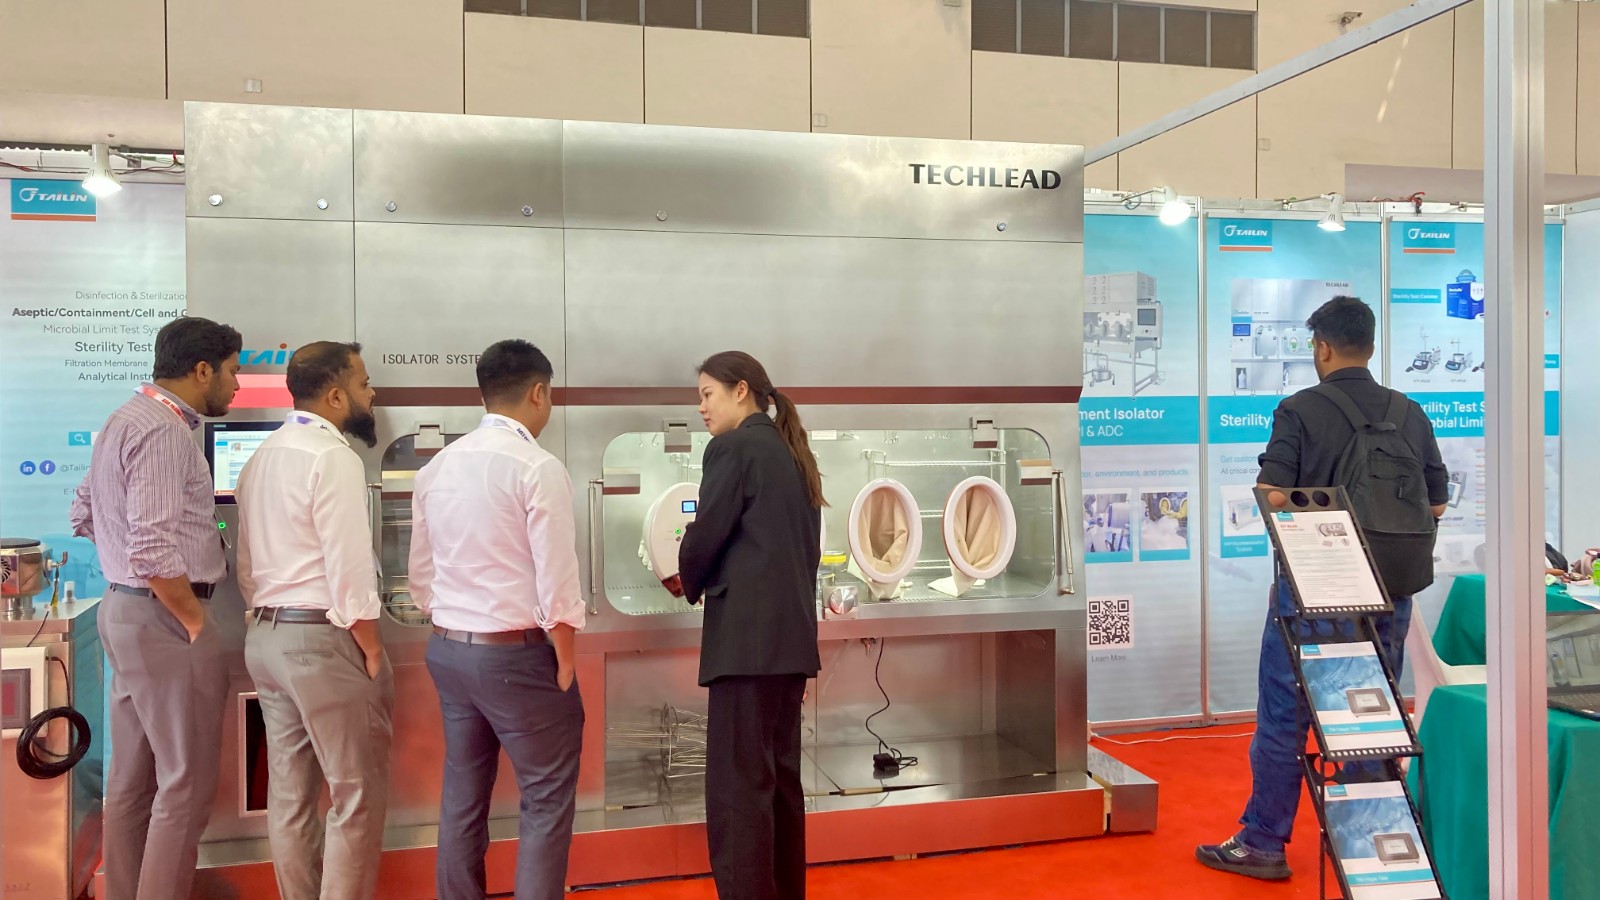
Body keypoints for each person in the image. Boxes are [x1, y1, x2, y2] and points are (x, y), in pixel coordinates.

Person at [1196, 296, 1447, 881]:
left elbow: (1273, 492)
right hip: (1390, 591)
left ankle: (1263, 842)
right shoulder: (1410, 412)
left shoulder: (1300, 409)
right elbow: (1436, 503)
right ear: (1372, 346)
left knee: (1286, 716)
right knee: (1370, 716)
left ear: (1322, 347)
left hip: (1315, 590)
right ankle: (1366, 848)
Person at [69, 316, 242, 900]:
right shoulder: (166, 432)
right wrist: (193, 620)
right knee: (185, 785)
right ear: (201, 370)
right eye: (232, 371)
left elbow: (83, 513)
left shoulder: (123, 419)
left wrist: (126, 568)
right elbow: (151, 548)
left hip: (124, 611)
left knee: (131, 781)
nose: (237, 384)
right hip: (167, 620)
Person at [408, 340, 585, 900]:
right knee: (545, 799)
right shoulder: (537, 467)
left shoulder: (436, 467)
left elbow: (420, 579)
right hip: (518, 656)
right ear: (539, 393)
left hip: (449, 651)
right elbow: (557, 576)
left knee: (463, 795)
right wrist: (565, 657)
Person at [235, 341, 393, 900]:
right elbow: (347, 564)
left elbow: (246, 564)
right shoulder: (332, 457)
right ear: (335, 396)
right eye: (363, 383)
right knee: (356, 795)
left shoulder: (262, 457)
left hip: (267, 637)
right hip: (323, 640)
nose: (371, 393)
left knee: (290, 795)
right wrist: (371, 647)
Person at [677, 351, 824, 900]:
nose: (702, 408)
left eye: (707, 395)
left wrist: (687, 577)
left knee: (739, 794)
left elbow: (706, 533)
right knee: (781, 785)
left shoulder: (732, 448)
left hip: (744, 649)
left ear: (741, 390)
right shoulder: (793, 453)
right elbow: (804, 551)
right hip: (790, 646)